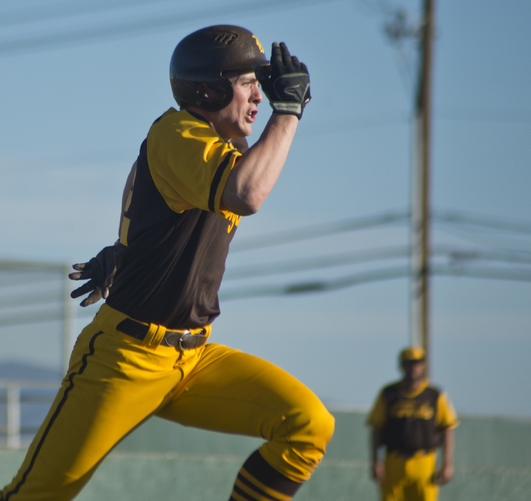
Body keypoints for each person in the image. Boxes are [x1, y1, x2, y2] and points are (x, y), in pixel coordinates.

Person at [1, 25, 334, 501]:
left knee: (307, 424)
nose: (261, 94)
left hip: (194, 358)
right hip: (126, 358)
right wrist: (289, 111)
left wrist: (126, 251)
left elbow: (161, 206)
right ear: (207, 89)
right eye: (247, 82)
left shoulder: (224, 148)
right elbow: (247, 193)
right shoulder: (178, 131)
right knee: (38, 494)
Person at [367, 346, 458, 501]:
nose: (413, 367)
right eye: (409, 362)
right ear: (402, 365)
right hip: (394, 460)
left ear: (423, 365)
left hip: (424, 460)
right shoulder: (389, 393)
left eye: (417, 362)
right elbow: (376, 428)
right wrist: (376, 462)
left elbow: (447, 428)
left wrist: (447, 464)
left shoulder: (434, 394)